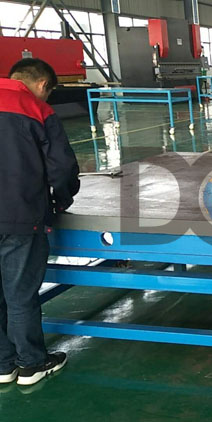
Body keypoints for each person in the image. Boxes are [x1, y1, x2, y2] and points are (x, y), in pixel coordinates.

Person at [0, 58, 80, 386]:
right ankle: (32, 364)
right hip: (20, 217)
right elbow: (61, 167)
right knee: (20, 294)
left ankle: (3, 365)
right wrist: (61, 199)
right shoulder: (37, 109)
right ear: (43, 85)